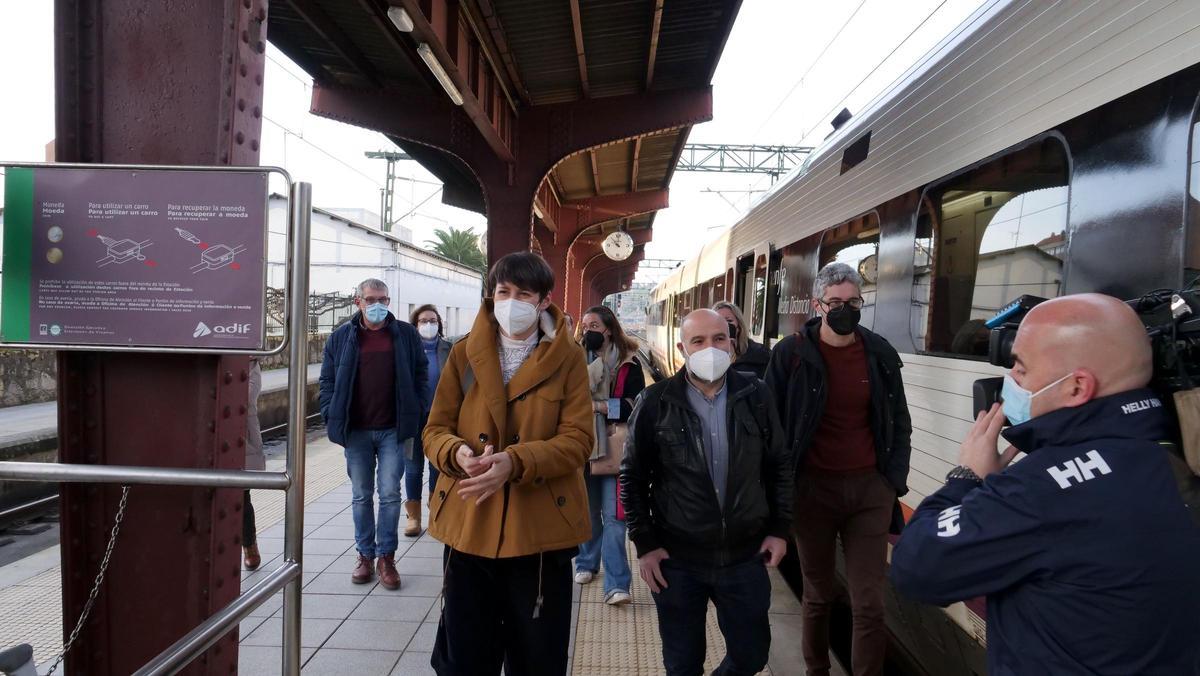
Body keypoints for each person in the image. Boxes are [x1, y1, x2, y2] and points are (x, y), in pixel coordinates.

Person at [890, 293, 1200, 675]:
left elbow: (916, 567)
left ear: (1076, 387)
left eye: (1020, 369)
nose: (1010, 382)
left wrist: (967, 478)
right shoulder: (1175, 455)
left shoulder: (1041, 488)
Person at [423, 252, 594, 676]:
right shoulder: (463, 353)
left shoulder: (568, 358)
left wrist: (515, 462)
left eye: (523, 294)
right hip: (468, 528)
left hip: (538, 538)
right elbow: (434, 431)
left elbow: (579, 441)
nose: (511, 302)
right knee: (465, 658)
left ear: (543, 301)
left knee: (536, 659)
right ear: (491, 295)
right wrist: (455, 453)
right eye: (503, 292)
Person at [621, 308, 792, 676]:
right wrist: (645, 544)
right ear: (682, 348)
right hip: (678, 560)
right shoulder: (656, 402)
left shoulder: (757, 395)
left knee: (751, 656)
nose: (709, 347)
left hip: (745, 556)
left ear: (732, 343)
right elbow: (631, 477)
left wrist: (779, 529)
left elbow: (779, 465)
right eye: (698, 341)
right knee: (682, 664)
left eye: (718, 338)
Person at [763, 262, 911, 676]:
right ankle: (816, 671)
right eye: (836, 302)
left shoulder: (878, 352)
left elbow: (899, 419)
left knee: (869, 603)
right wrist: (777, 489)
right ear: (817, 305)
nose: (846, 309)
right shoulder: (790, 355)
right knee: (818, 594)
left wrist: (892, 482)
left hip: (869, 492)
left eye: (854, 302)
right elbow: (770, 423)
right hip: (813, 491)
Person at [319, 278, 427, 590]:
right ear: (358, 302)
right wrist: (330, 411)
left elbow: (420, 373)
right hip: (357, 432)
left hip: (395, 430)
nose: (377, 305)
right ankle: (364, 555)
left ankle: (386, 557)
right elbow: (327, 380)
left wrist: (417, 409)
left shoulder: (405, 334)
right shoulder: (341, 337)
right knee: (361, 495)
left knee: (391, 494)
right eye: (370, 299)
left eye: (383, 299)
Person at [573, 305, 645, 606]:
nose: (588, 329)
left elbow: (636, 406)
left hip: (615, 449)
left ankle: (617, 584)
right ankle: (586, 563)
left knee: (616, 517)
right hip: (582, 447)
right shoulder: (573, 361)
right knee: (588, 513)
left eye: (594, 325)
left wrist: (602, 407)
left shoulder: (629, 364)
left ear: (608, 329)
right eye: (585, 324)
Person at [408, 304, 453, 532]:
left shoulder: (449, 348)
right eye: (423, 321)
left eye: (432, 321)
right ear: (415, 325)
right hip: (412, 418)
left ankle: (435, 511)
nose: (428, 325)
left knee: (437, 464)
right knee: (413, 467)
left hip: (440, 417)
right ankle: (413, 517)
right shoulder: (406, 350)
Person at [242, 357, 264, 570]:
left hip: (242, 438)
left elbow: (248, 397)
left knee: (241, 494)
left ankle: (249, 544)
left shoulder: (250, 361)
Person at [714, 301, 770, 380]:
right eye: (719, 321)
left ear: (739, 325)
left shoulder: (761, 354)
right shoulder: (707, 355)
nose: (725, 325)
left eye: (729, 321)